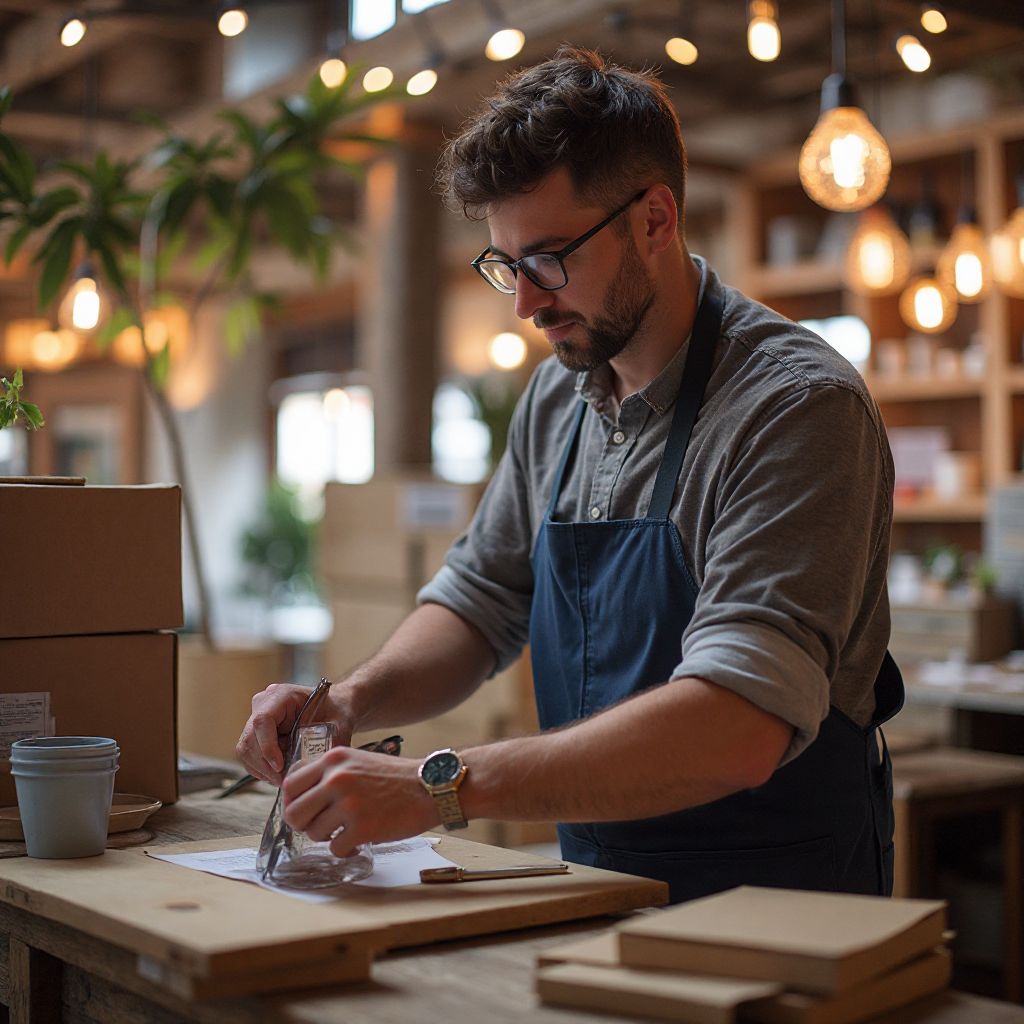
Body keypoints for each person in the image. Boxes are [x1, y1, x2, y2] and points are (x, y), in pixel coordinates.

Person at [237, 45, 903, 904]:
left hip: (777, 905)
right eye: (505, 265)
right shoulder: (559, 397)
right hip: (594, 886)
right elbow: (481, 600)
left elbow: (737, 725)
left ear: (654, 220)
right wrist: (351, 700)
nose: (524, 302)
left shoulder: (794, 409)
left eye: (548, 258)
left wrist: (438, 787)